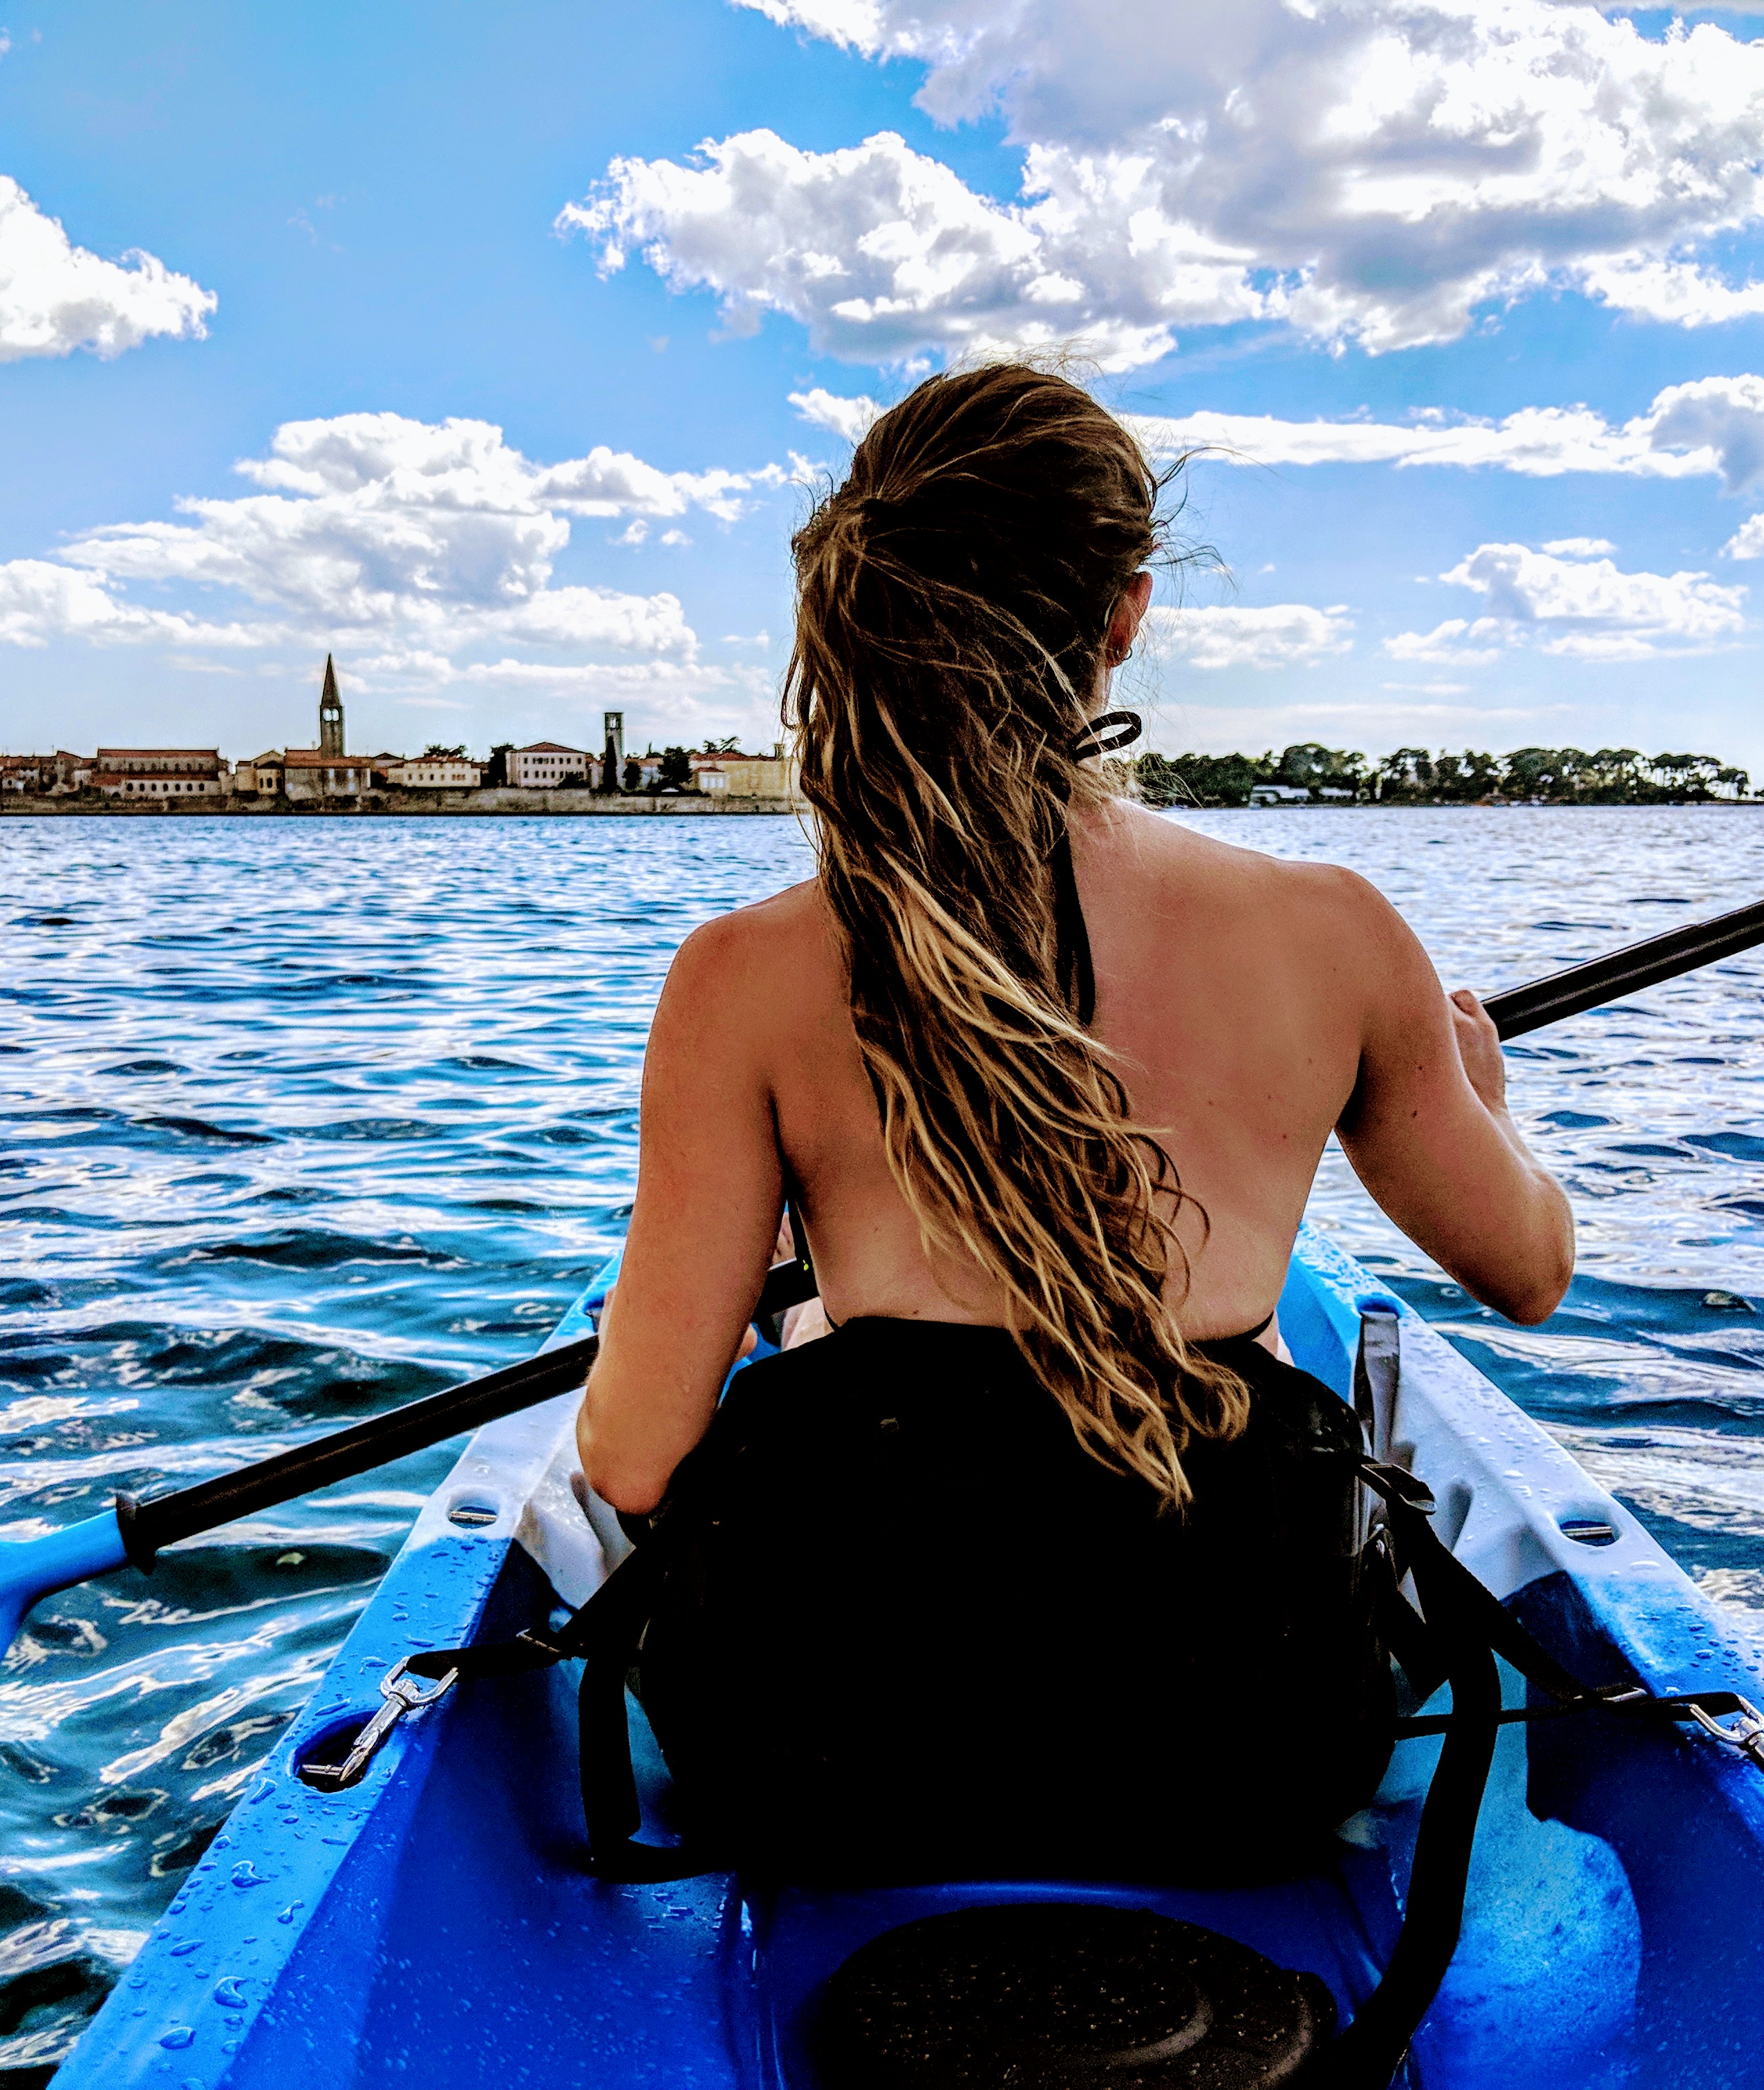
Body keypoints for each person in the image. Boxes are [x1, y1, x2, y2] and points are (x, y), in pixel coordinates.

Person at [571, 363, 1573, 1884]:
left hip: (826, 1750)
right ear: (1125, 616)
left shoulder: (745, 976)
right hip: (1251, 1747)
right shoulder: (1336, 935)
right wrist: (1476, 1100)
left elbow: (635, 1464)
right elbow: (1531, 1268)